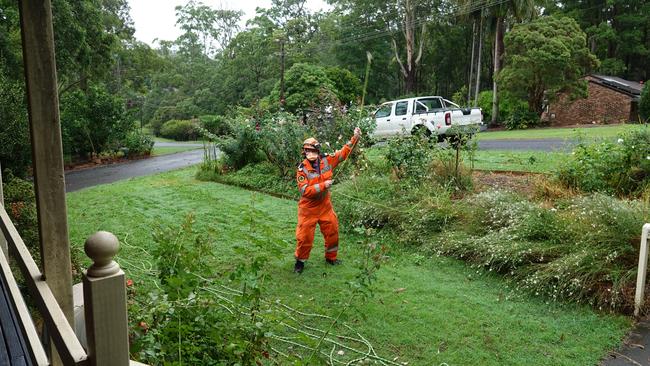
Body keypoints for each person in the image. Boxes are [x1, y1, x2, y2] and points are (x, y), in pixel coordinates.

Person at [293, 127, 361, 274]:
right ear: (304, 152)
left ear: (318, 151)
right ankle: (300, 262)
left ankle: (331, 257)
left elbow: (343, 153)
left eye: (313, 151)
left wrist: (355, 137)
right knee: (304, 237)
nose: (310, 154)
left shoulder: (327, 160)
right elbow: (305, 191)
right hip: (308, 209)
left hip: (325, 206)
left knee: (332, 232)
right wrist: (324, 185)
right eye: (307, 151)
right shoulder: (301, 169)